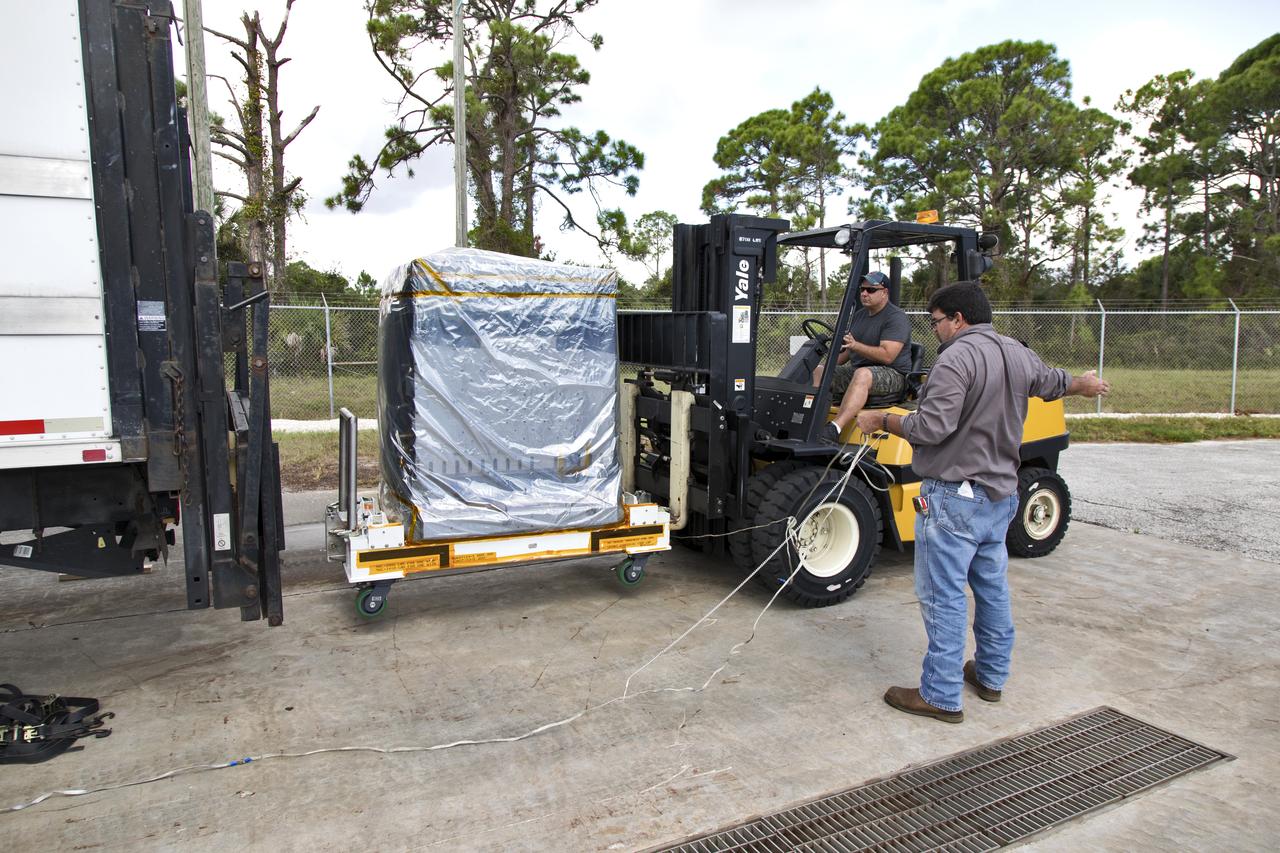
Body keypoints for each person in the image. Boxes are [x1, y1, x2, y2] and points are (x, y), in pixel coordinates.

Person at [854, 281, 1109, 724]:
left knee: (944, 597)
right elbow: (1051, 382)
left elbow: (932, 427)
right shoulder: (1016, 351)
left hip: (955, 497)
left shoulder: (956, 358)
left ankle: (940, 694)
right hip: (1000, 496)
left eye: (936, 321)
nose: (934, 330)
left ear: (958, 318)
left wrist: (883, 419)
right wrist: (1082, 384)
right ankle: (990, 676)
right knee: (991, 591)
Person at [814, 271, 912, 444]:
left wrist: (855, 345)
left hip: (894, 375)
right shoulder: (859, 316)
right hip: (861, 372)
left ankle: (834, 429)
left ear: (885, 292)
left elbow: (888, 356)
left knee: (863, 373)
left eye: (871, 290)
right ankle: (811, 421)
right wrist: (822, 361)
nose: (864, 294)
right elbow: (845, 354)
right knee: (820, 371)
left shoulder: (896, 317)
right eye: (862, 289)